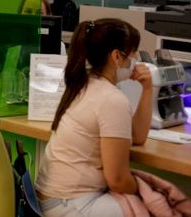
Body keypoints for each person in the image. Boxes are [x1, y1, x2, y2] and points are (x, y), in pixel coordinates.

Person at [35, 18, 153, 217]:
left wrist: (147, 88)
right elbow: (117, 180)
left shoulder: (83, 85)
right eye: (133, 53)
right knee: (160, 205)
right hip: (69, 205)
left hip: (50, 200)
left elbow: (138, 137)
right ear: (117, 56)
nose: (136, 60)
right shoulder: (111, 99)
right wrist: (147, 190)